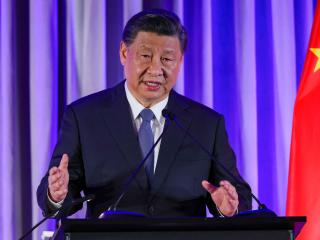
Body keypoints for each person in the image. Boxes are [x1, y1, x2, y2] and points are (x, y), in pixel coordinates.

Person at [37, 9, 252, 218]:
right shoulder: (84, 116)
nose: (155, 69)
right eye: (146, 56)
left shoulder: (206, 124)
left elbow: (238, 195)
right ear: (124, 53)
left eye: (167, 59)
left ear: (180, 60)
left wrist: (229, 208)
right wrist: (56, 194)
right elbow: (59, 200)